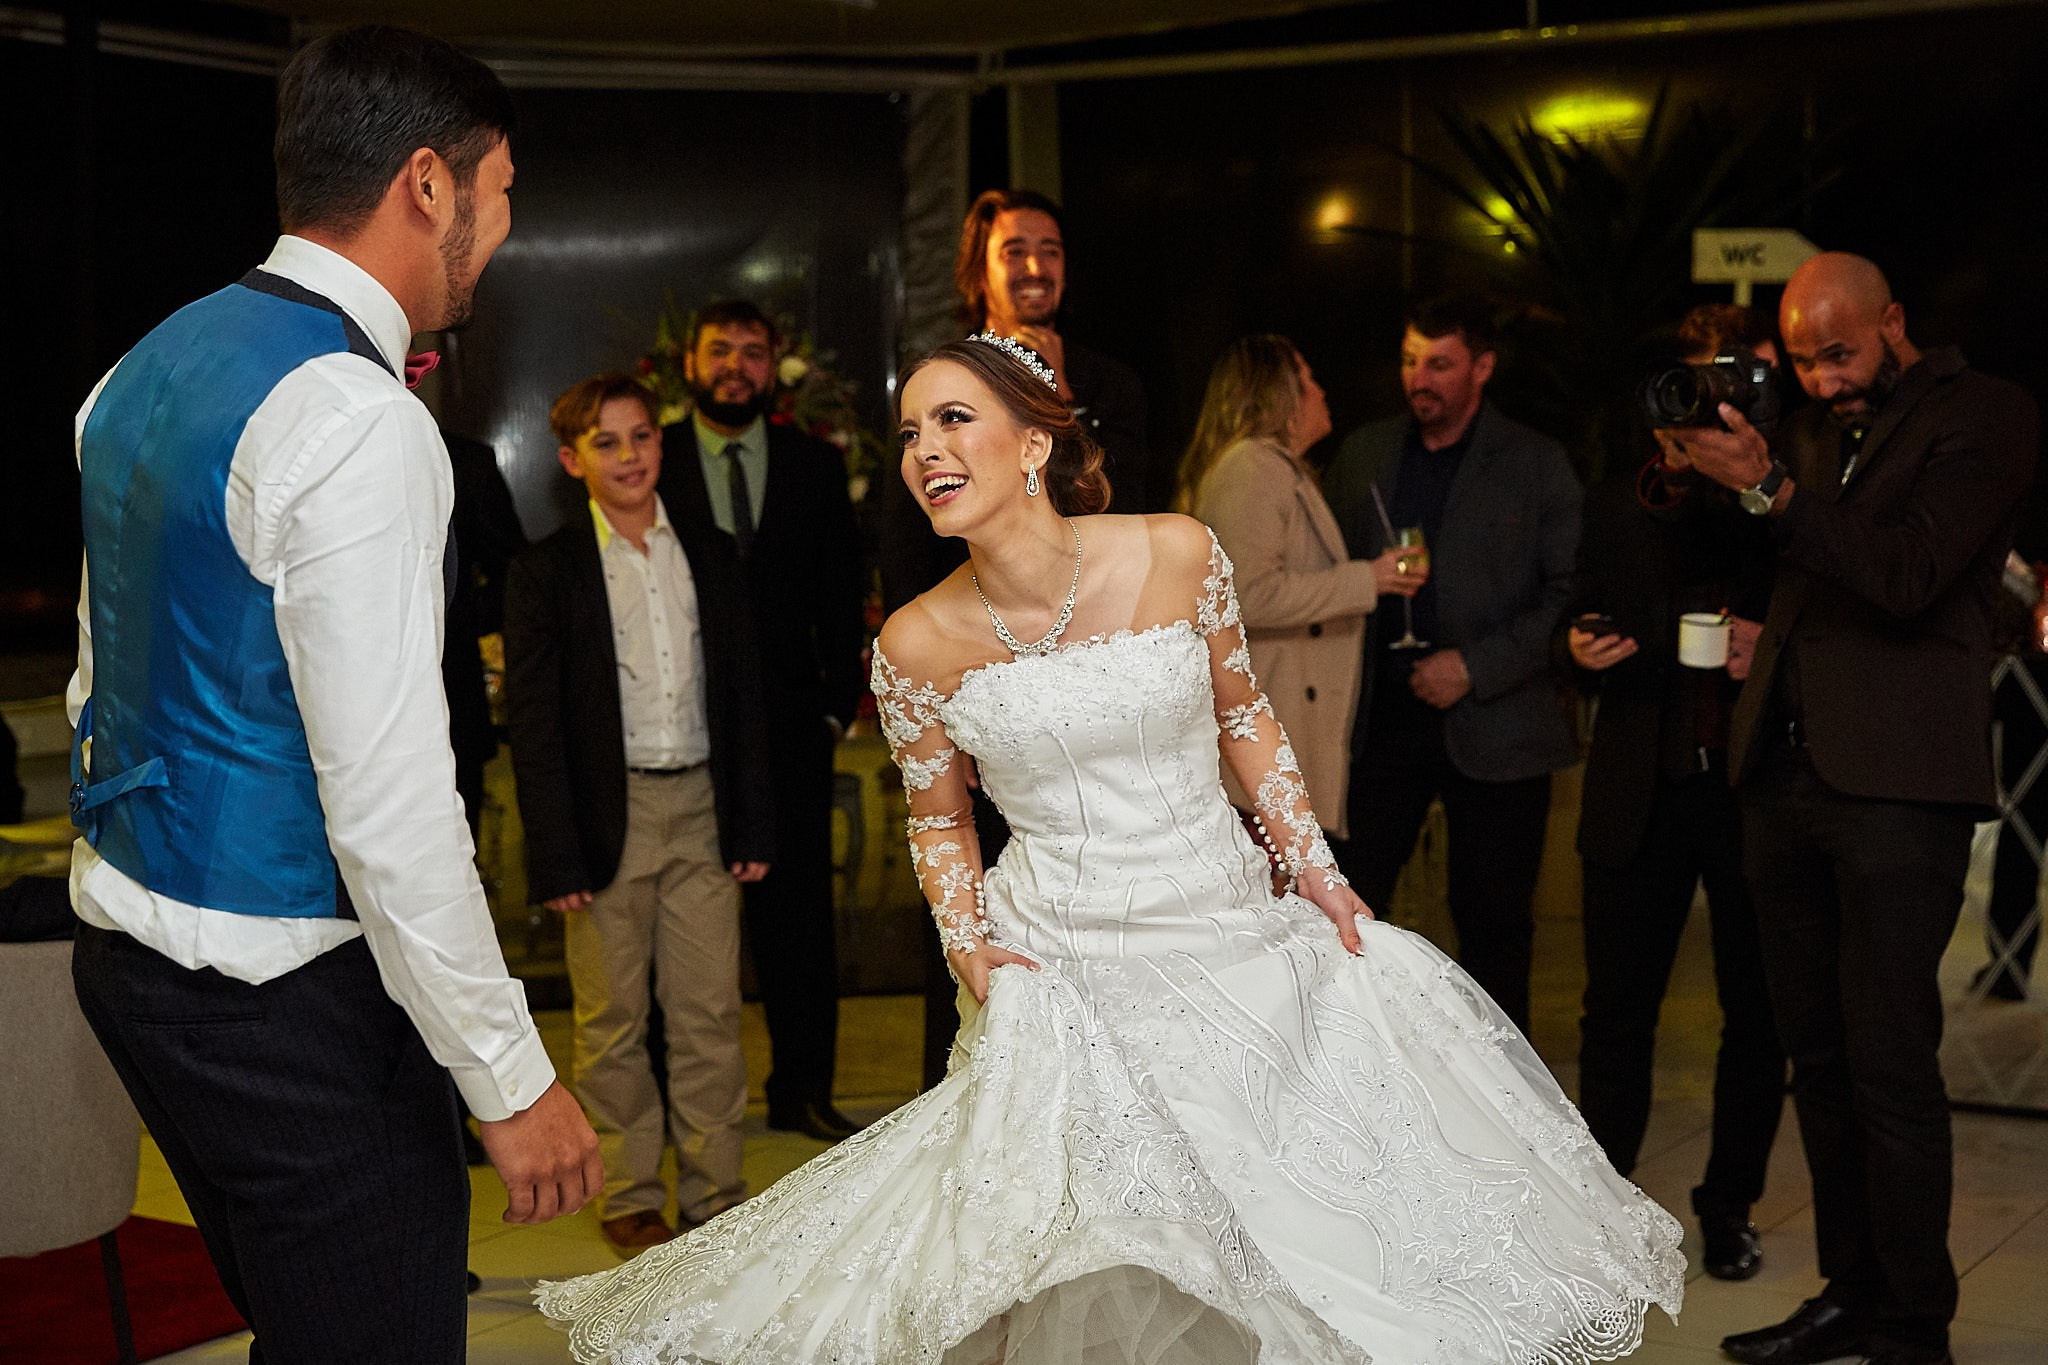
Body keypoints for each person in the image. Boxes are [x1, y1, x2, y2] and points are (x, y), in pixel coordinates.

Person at [537, 334, 1684, 1364]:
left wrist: (1318, 875)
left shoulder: (1175, 552)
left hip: (1227, 924)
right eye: (906, 431)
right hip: (1061, 965)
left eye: (952, 419)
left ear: (1032, 444)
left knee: (1287, 1223)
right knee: (1100, 1254)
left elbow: (1244, 719)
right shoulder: (915, 639)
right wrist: (970, 952)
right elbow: (938, 820)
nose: (922, 449)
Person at [63, 27, 600, 1363]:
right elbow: (394, 810)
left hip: (132, 959)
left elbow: (102, 664)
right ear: (430, 185)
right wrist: (511, 1075)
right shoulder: (358, 421)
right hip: (281, 999)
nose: (508, 226)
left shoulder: (142, 365)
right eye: (505, 190)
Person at [1680, 253, 2038, 1365]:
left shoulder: (1983, 414)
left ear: (1893, 323)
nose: (1821, 380)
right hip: (1781, 779)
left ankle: (1912, 1323)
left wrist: (1768, 489)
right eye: (1801, 361)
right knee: (1817, 1061)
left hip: (1894, 787)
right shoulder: (1805, 430)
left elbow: (1907, 574)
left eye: (1838, 355)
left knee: (1888, 1062)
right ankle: (1850, 1291)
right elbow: (1777, 567)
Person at [882, 188, 1151, 1089]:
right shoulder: (941, 384)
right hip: (987, 679)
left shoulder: (1114, 382)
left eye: (1050, 249)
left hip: (1111, 664)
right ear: (980, 267)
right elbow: (904, 542)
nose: (1034, 267)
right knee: (980, 902)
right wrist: (956, 666)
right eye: (1014, 251)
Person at [507, 374, 776, 1254]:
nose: (629, 456)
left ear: (662, 445)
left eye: (641, 438)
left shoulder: (708, 549)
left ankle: (715, 1188)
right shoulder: (546, 570)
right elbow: (536, 727)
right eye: (607, 442)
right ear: (571, 459)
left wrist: (751, 824)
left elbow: (744, 695)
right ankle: (629, 1188)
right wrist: (557, 858)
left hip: (700, 806)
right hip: (602, 819)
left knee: (707, 1015)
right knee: (613, 1020)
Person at [1564, 303, 1786, 1283]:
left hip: (1745, 787)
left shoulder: (1778, 503)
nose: (1699, 414)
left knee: (1757, 1015)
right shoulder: (1616, 504)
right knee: (1614, 1014)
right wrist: (1573, 648)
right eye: (1685, 392)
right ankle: (1601, 1208)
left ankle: (1727, 1207)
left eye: (1720, 391)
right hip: (1636, 785)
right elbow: (1576, 615)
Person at [1321, 295, 1582, 1033]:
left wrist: (1474, 665)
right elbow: (1325, 568)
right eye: (1410, 361)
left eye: (1439, 363)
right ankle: (1356, 1081)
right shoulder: (1367, 452)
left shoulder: (1535, 462)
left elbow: (1566, 593)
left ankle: (1503, 1100)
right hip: (1381, 719)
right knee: (1349, 905)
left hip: (1495, 721)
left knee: (1496, 927)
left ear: (1483, 368)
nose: (1420, 378)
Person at [653, 300, 868, 1143]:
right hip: (681, 725)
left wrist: (829, 707)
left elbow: (843, 595)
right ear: (691, 363)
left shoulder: (815, 464)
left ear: (772, 365)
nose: (734, 366)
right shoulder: (653, 458)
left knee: (799, 921)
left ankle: (803, 1088)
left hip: (789, 730)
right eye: (720, 351)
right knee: (679, 926)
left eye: (751, 352)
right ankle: (678, 1105)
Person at [1177, 333, 1421, 838]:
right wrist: (1368, 579)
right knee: (1275, 899)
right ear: (1280, 396)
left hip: (1279, 720)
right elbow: (1248, 595)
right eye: (1308, 379)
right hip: (1267, 730)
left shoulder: (1276, 470)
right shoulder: (1253, 467)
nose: (1322, 391)